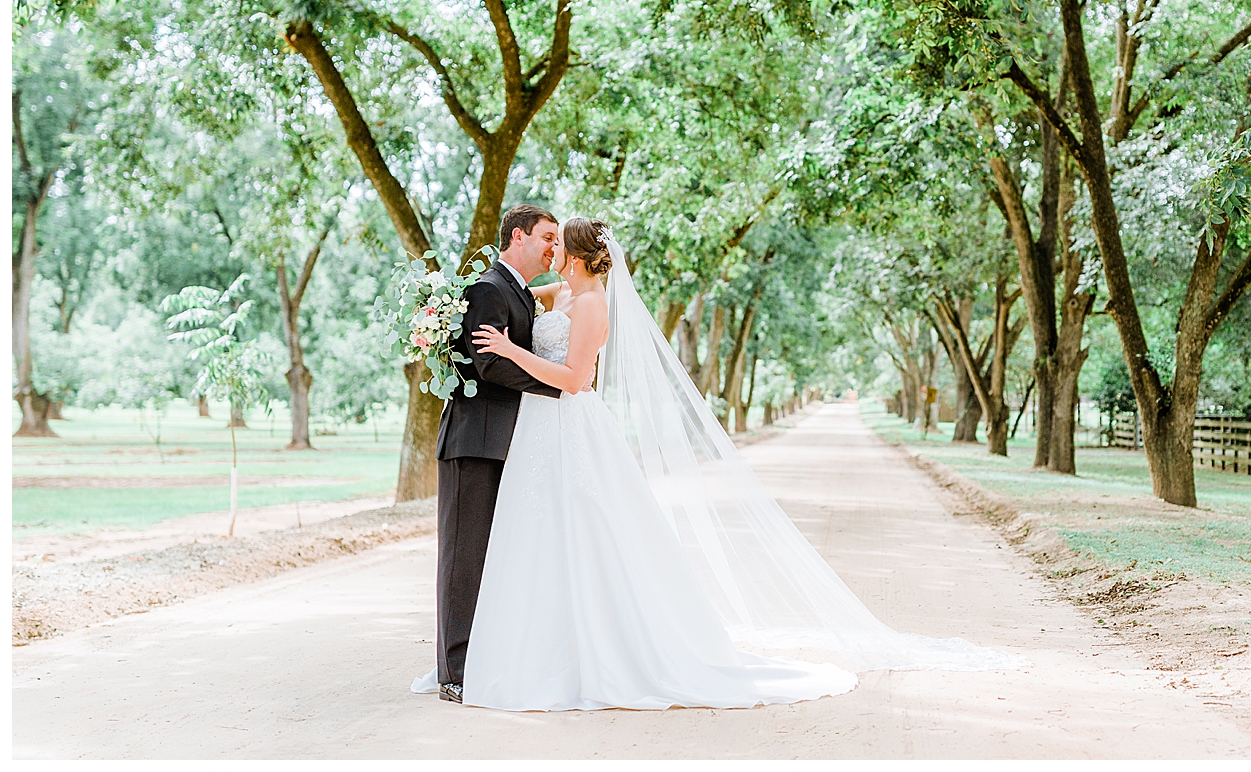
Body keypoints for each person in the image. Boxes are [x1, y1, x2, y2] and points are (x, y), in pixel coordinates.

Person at [415, 216, 1023, 712]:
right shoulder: (565, 292)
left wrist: (511, 348)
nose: (551, 250)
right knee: (540, 540)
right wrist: (443, 315)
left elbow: (575, 379)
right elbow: (517, 298)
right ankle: (528, 644)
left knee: (587, 533)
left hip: (568, 422)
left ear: (573, 254)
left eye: (557, 242)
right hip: (538, 434)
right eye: (544, 239)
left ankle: (593, 652)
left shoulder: (593, 304)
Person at [428, 205, 561, 705]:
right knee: (463, 559)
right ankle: (455, 673)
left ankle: (483, 659)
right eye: (547, 237)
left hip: (507, 443)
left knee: (494, 557)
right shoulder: (488, 288)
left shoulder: (519, 291)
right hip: (474, 442)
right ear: (518, 237)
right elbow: (488, 365)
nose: (553, 248)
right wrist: (559, 388)